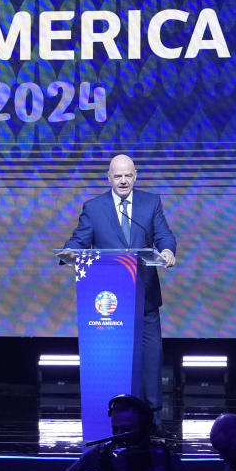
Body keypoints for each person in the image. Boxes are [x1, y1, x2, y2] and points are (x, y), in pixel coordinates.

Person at [63, 154, 177, 422]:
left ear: (135, 176)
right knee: (115, 360)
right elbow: (80, 240)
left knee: (150, 357)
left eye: (128, 175)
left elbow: (163, 234)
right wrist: (70, 252)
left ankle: (153, 418)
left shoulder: (151, 203)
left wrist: (168, 250)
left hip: (144, 295)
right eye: (118, 176)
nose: (123, 181)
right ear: (109, 178)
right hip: (109, 300)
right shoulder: (94, 207)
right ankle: (114, 415)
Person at [56, 394, 177, 471]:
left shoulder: (165, 457)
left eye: (126, 429)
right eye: (115, 428)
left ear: (145, 428)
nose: (119, 434)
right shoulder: (101, 452)